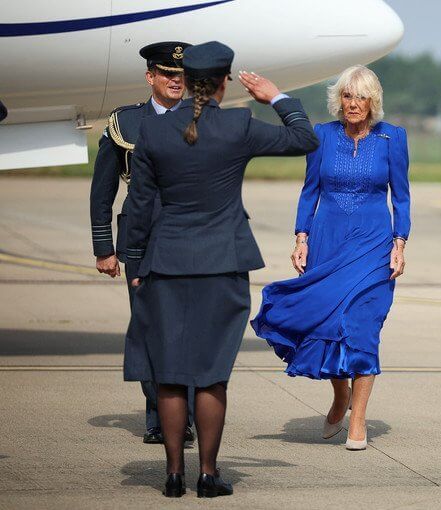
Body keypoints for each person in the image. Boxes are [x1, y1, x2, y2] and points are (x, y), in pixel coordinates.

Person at [123, 41, 319, 497]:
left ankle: (173, 476)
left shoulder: (151, 131)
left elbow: (138, 206)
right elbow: (304, 139)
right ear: (224, 81)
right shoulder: (238, 125)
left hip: (166, 263)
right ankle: (208, 475)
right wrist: (277, 97)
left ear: (186, 79)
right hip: (222, 264)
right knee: (211, 375)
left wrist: (136, 262)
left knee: (170, 374)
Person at [250, 65, 410, 451]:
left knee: (364, 326)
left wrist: (400, 242)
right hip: (328, 240)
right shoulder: (322, 135)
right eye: (346, 96)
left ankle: (358, 418)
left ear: (373, 101)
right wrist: (301, 238)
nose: (353, 104)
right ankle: (341, 395)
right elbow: (310, 192)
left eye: (360, 97)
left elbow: (401, 196)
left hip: (373, 244)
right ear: (338, 99)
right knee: (328, 322)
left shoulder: (393, 138)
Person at [89, 41, 195, 446]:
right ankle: (158, 415)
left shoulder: (205, 118)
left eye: (181, 75)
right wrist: (104, 246)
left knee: (187, 330)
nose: (175, 81)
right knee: (152, 328)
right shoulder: (125, 122)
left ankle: (181, 414)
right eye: (167, 74)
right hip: (140, 238)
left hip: (191, 238)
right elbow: (103, 189)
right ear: (151, 76)